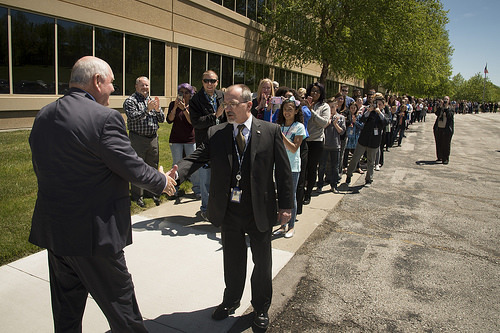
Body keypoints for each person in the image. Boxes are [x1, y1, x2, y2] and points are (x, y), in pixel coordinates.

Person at [28, 56, 176, 332]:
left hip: (56, 233)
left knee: (66, 314)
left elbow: (42, 167)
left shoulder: (44, 115)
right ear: (97, 81)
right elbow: (131, 166)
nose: (112, 91)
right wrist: (162, 180)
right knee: (124, 313)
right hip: (94, 237)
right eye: (110, 83)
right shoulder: (105, 118)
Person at [171, 84, 293, 330]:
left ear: (249, 105)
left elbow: (283, 172)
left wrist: (287, 206)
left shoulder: (270, 131)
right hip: (229, 210)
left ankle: (260, 307)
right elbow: (198, 156)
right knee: (233, 260)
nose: (227, 108)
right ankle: (231, 300)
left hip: (259, 209)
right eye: (225, 103)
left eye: (232, 104)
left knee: (262, 263)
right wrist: (177, 172)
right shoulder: (218, 132)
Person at [189, 70, 226, 221]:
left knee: (222, 177)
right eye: (206, 81)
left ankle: (220, 207)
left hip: (222, 143)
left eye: (213, 81)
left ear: (217, 82)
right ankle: (205, 208)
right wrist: (215, 115)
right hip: (205, 144)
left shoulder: (222, 96)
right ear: (202, 82)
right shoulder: (195, 100)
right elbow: (196, 123)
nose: (209, 84)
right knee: (205, 179)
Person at [124, 76, 165, 207]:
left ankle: (150, 192)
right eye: (142, 85)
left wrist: (157, 110)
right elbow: (132, 117)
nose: (145, 88)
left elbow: (162, 119)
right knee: (137, 166)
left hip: (152, 138)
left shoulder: (152, 100)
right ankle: (137, 195)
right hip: (138, 138)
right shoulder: (130, 101)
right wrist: (147, 109)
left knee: (152, 166)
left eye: (147, 85)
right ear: (136, 86)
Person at [273, 96, 306, 238]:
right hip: (279, 166)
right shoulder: (279, 126)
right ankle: (282, 225)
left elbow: (293, 148)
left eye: (290, 110)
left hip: (292, 167)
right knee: (281, 196)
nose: (287, 112)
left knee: (291, 197)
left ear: (296, 111)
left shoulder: (299, 127)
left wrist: (280, 135)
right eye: (285, 109)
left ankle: (291, 226)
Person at [345, 93, 387, 186]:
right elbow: (363, 119)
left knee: (371, 161)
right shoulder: (368, 110)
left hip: (374, 141)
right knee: (355, 158)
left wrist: (379, 112)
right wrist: (369, 111)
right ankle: (349, 175)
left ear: (383, 105)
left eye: (380, 104)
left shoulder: (383, 113)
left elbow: (385, 122)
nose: (378, 106)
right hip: (364, 139)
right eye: (377, 104)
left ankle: (369, 179)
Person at [167, 83, 200, 198]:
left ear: (191, 94)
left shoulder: (193, 106)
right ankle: (174, 189)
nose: (183, 95)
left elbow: (192, 122)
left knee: (192, 164)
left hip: (190, 139)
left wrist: (185, 109)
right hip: (176, 139)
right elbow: (170, 120)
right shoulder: (172, 104)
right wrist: (176, 107)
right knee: (176, 164)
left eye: (186, 93)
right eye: (181, 93)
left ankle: (197, 189)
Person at [303, 82, 330, 205]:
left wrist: (311, 112)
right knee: (302, 168)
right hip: (302, 140)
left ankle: (308, 193)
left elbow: (324, 123)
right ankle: (301, 191)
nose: (314, 93)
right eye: (313, 91)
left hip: (316, 141)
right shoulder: (303, 102)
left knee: (312, 168)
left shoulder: (324, 106)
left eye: (317, 91)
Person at [317, 97, 346, 193]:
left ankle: (334, 185)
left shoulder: (340, 117)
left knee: (335, 167)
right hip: (324, 145)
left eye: (333, 107)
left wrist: (335, 124)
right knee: (322, 166)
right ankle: (319, 185)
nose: (331, 109)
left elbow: (341, 132)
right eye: (329, 107)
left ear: (336, 106)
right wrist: (328, 121)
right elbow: (321, 128)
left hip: (335, 145)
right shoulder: (325, 118)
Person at [433, 96, 454, 164]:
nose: (445, 101)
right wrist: (441, 106)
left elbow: (450, 116)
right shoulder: (441, 108)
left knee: (446, 144)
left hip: (447, 129)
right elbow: (436, 113)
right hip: (439, 127)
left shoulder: (451, 108)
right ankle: (440, 156)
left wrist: (446, 108)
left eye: (447, 99)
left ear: (449, 101)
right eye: (444, 99)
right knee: (439, 143)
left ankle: (445, 158)